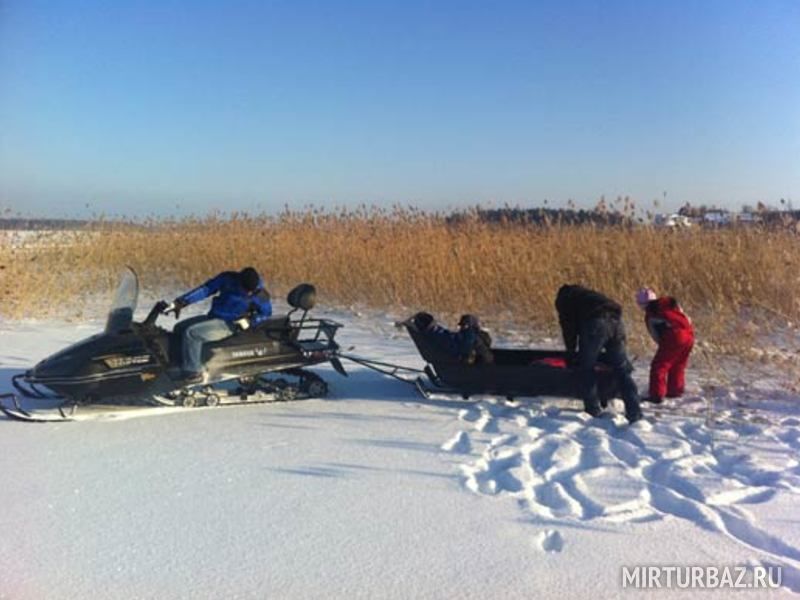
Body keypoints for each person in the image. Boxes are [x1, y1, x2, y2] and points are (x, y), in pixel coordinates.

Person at [555, 284, 642, 423]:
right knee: (622, 370)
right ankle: (634, 411)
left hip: (595, 324)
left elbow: (568, 328)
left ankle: (593, 408)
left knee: (586, 367)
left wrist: (570, 352)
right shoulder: (590, 296)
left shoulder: (565, 300)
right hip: (617, 323)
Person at [170, 267, 272, 382]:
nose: (249, 293)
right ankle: (180, 363)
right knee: (179, 328)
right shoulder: (227, 279)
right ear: (239, 281)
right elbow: (206, 289)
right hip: (214, 317)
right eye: (246, 289)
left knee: (192, 334)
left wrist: (250, 321)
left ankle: (194, 372)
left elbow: (266, 313)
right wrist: (182, 302)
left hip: (230, 325)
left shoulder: (260, 294)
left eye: (251, 291)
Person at [636, 287, 695, 404]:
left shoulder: (652, 314)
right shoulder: (671, 306)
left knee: (659, 366)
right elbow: (687, 319)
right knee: (678, 363)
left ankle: (656, 395)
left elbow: (655, 334)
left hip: (675, 337)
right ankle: (675, 391)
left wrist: (664, 346)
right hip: (689, 335)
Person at [412, 312, 494, 364]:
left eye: (464, 326)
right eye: (461, 326)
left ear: (471, 326)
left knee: (446, 339)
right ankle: (432, 328)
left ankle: (431, 328)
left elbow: (459, 348)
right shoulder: (477, 334)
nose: (461, 328)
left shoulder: (470, 336)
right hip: (481, 361)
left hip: (473, 364)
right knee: (446, 337)